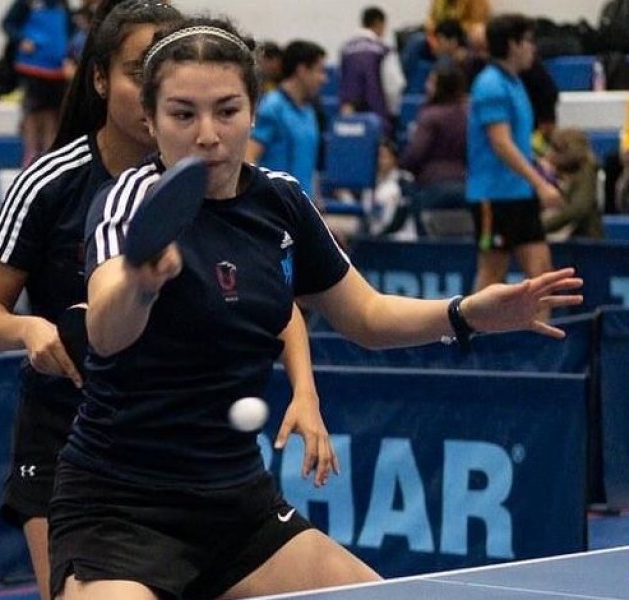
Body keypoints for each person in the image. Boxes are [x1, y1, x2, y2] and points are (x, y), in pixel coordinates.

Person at [50, 16, 583, 600]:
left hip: (237, 506)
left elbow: (367, 317)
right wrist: (140, 282)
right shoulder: (130, 200)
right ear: (150, 120)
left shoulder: (280, 201)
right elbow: (105, 331)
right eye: (183, 114)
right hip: (123, 509)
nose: (207, 134)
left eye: (227, 111)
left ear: (254, 112)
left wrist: (467, 313)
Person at [0, 5, 336, 600]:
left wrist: (305, 389)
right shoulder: (54, 183)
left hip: (185, 444)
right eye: (142, 70)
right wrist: (32, 331)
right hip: (71, 426)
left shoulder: (232, 187)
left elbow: (273, 296)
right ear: (103, 81)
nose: (168, 83)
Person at [466, 14, 563, 296]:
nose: (533, 48)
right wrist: (541, 184)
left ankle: (541, 341)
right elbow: (501, 144)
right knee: (492, 273)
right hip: (493, 197)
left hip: (520, 194)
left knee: (542, 273)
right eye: (528, 41)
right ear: (513, 44)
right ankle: (472, 337)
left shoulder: (516, 83)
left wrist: (541, 162)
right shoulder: (490, 85)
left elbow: (518, 143)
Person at [246, 40, 327, 197]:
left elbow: (309, 163)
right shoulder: (272, 108)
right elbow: (248, 156)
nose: (323, 79)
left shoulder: (309, 111)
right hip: (276, 209)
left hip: (302, 207)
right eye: (319, 71)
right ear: (302, 70)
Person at [399, 61, 468, 234]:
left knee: (429, 242)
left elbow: (416, 153)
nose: (426, 86)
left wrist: (402, 165)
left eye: (431, 82)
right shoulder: (468, 114)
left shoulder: (430, 116)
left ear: (440, 87)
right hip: (464, 185)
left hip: (433, 187)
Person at [1, 0, 74, 165]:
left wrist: (69, 55)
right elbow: (8, 24)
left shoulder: (62, 5)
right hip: (33, 65)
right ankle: (31, 153)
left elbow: (68, 30)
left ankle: (50, 155)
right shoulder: (26, 4)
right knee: (34, 112)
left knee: (52, 114)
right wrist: (22, 40)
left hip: (57, 67)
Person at [338, 6, 405, 139]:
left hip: (349, 122)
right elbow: (394, 86)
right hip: (377, 119)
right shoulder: (383, 50)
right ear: (379, 23)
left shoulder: (345, 50)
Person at [542, 127, 603, 239]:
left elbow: (578, 209)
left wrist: (541, 227)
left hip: (584, 240)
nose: (549, 153)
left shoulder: (587, 173)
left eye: (555, 150)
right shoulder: (553, 172)